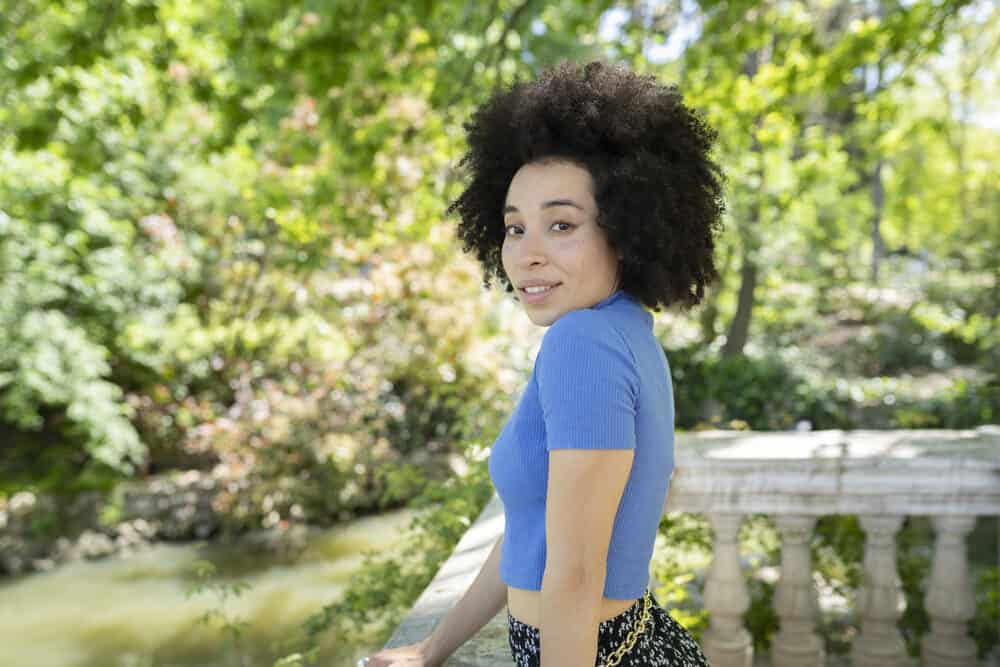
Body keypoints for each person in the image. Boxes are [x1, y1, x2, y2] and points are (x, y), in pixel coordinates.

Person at [360, 59, 724, 667]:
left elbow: (576, 575)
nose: (527, 255)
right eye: (514, 228)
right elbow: (532, 540)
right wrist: (430, 650)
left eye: (561, 224)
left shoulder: (583, 344)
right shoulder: (626, 328)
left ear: (626, 229)